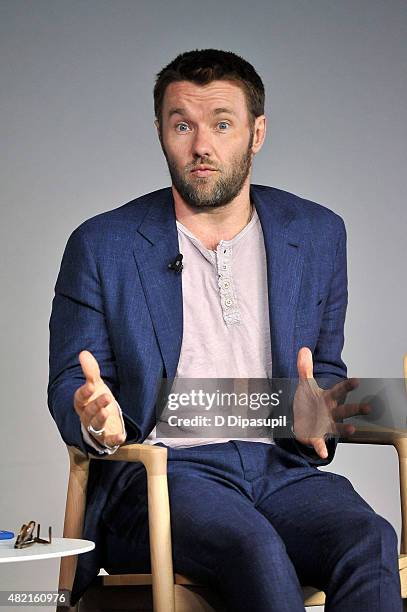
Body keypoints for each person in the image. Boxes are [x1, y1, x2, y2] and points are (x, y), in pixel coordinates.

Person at [48, 49, 401, 611]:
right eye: (182, 124)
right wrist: (98, 422)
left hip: (279, 468)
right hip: (165, 478)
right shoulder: (101, 244)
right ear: (161, 131)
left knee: (371, 540)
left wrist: (319, 414)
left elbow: (324, 369)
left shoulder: (317, 234)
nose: (201, 146)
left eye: (221, 124)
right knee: (254, 549)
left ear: (256, 133)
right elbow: (73, 383)